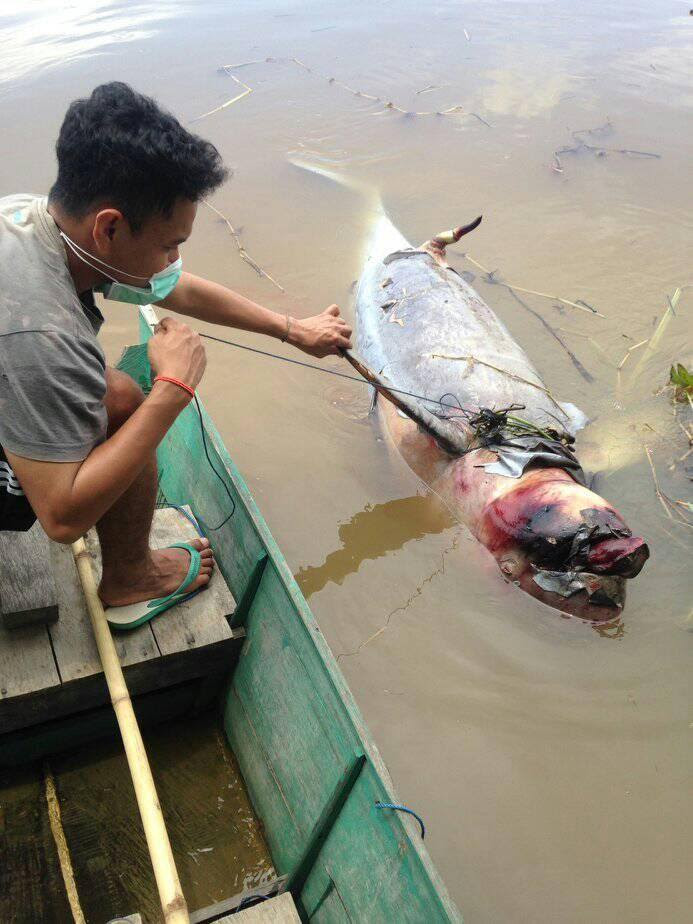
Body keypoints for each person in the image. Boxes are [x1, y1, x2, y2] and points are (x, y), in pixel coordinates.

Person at [0, 82, 352, 618]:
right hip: (34, 405)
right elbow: (63, 520)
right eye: (171, 245)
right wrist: (173, 388)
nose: (171, 261)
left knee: (113, 393)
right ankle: (131, 579)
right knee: (128, 406)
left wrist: (290, 329)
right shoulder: (41, 335)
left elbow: (170, 286)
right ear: (111, 228)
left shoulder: (37, 222)